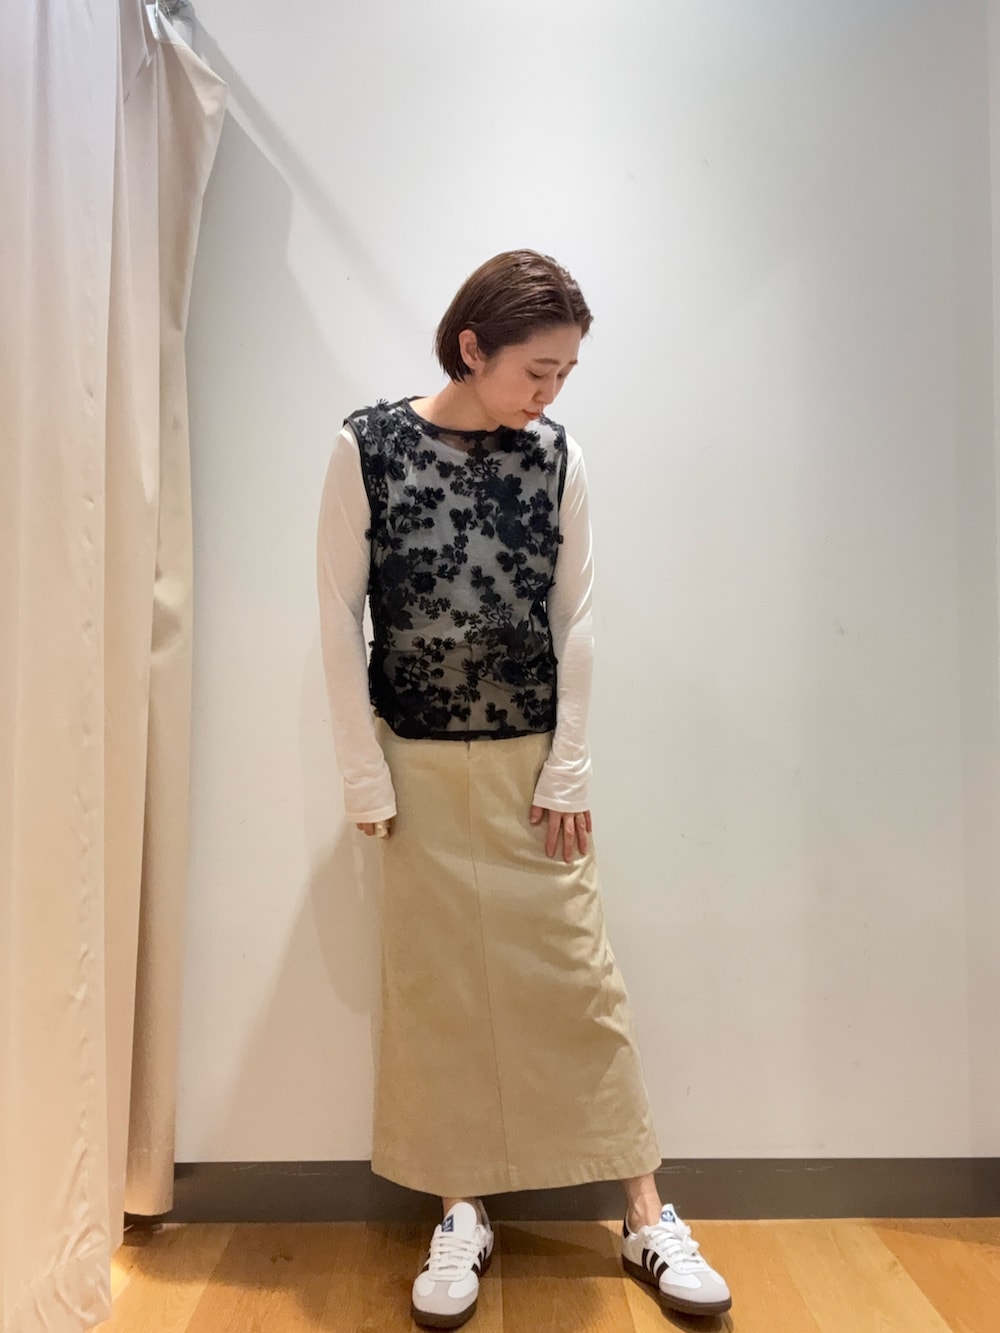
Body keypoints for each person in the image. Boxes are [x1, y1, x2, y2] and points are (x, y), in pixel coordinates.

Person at [317, 250, 732, 1328]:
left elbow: (576, 615)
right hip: (413, 761)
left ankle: (643, 1211)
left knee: (578, 980)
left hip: (531, 767)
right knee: (438, 989)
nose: (548, 393)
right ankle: (461, 1208)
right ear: (473, 347)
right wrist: (362, 773)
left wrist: (569, 764)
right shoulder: (366, 446)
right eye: (536, 370)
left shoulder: (556, 457)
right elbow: (336, 614)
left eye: (564, 374)